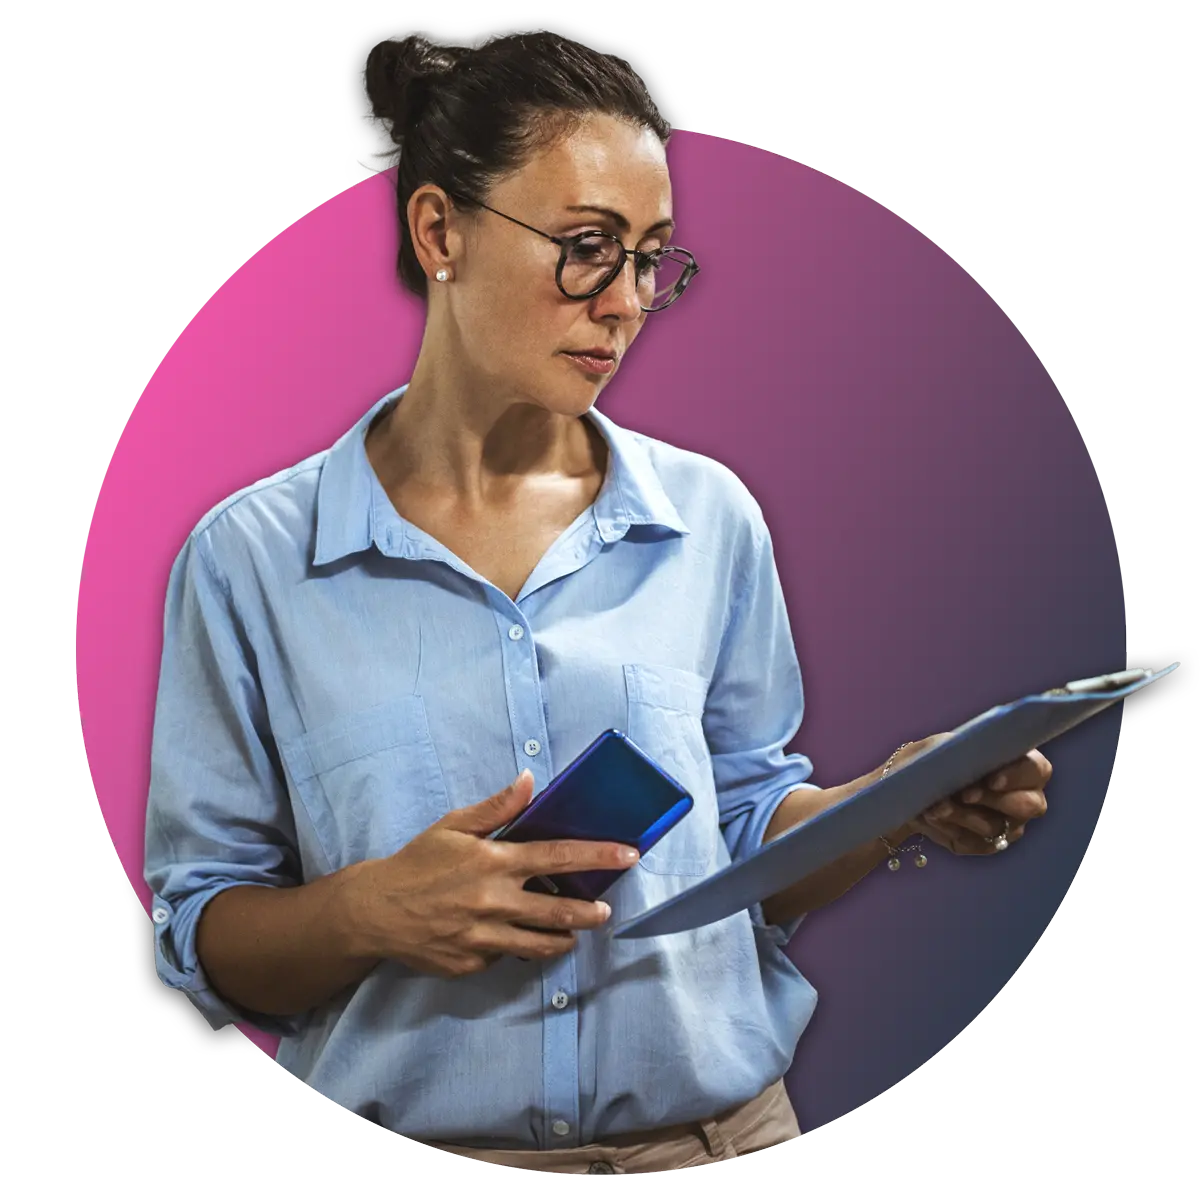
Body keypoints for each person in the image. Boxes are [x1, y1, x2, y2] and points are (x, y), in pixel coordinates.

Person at [142, 28, 1052, 1175]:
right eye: (586, 248)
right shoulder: (250, 562)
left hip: (723, 1144)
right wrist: (371, 911)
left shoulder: (710, 518)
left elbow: (747, 851)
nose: (626, 302)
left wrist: (898, 801)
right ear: (439, 231)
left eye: (652, 259)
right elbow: (210, 933)